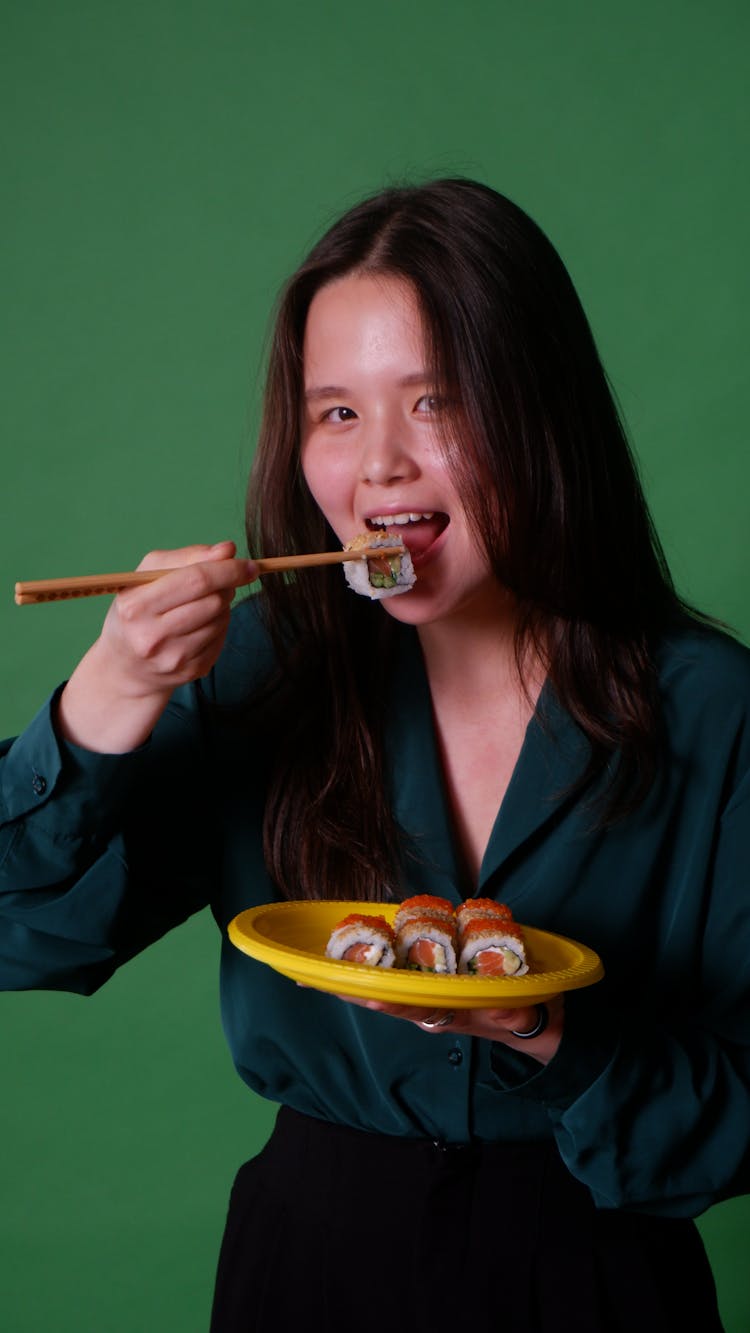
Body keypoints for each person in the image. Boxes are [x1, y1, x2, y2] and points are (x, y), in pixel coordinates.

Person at [1, 178, 748, 1333]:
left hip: (600, 1279)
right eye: (337, 413)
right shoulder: (257, 674)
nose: (382, 467)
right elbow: (20, 928)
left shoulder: (710, 705)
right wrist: (104, 703)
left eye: (437, 401)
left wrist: (546, 1033)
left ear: (539, 412)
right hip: (310, 1269)